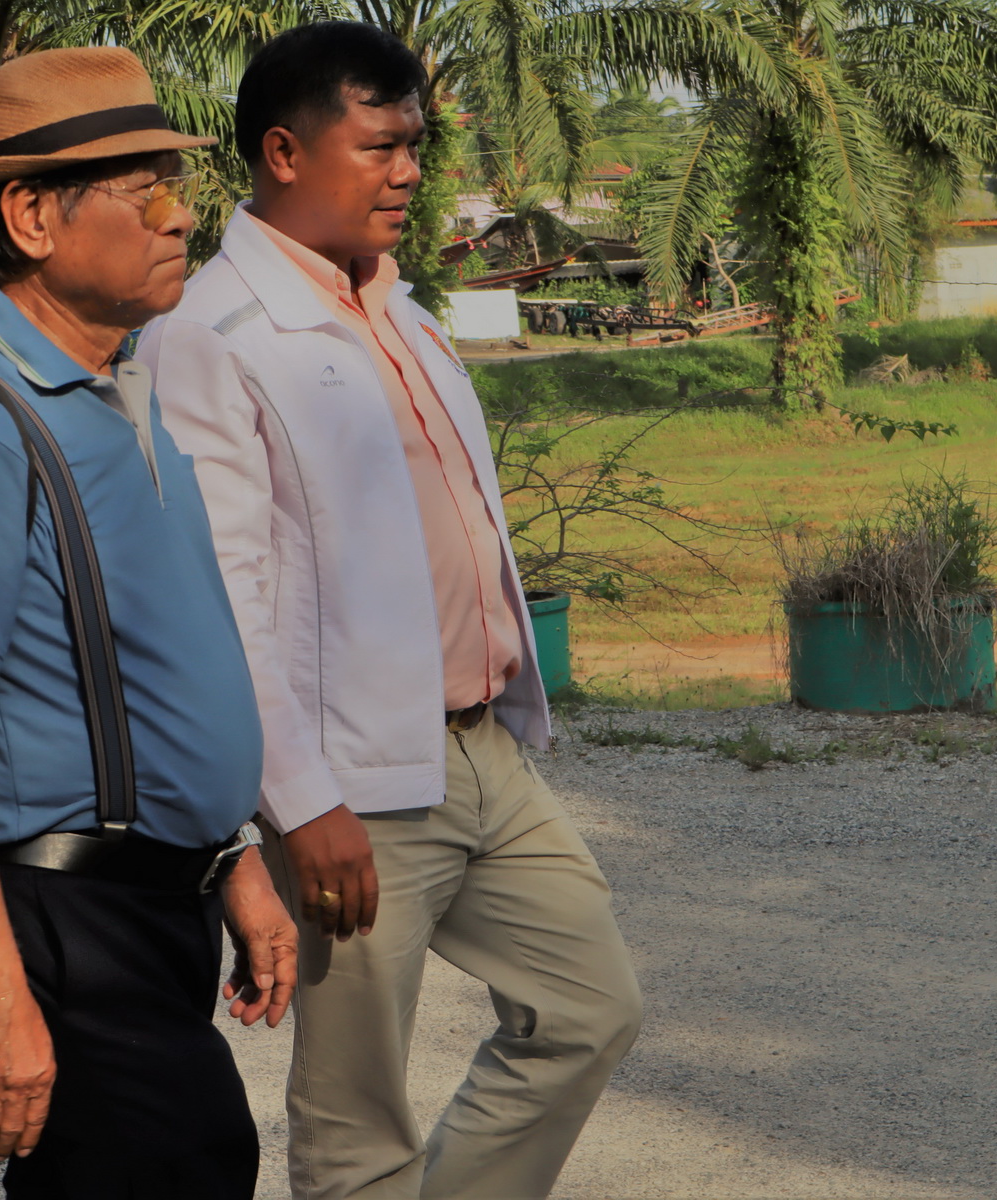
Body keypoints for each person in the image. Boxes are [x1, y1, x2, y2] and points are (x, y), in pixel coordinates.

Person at [136, 22, 643, 1200]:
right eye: (380, 146)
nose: (409, 171)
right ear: (283, 152)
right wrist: (300, 804)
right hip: (351, 784)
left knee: (589, 1009)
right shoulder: (211, 335)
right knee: (358, 1113)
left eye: (415, 145)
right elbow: (222, 602)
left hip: (478, 746)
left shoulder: (401, 311)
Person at [0, 47, 296, 1200]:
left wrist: (233, 858)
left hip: (157, 902)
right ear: (31, 217)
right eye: (145, 191)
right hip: (70, 918)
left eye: (176, 185)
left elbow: (153, 664)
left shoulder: (121, 387)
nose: (181, 215)